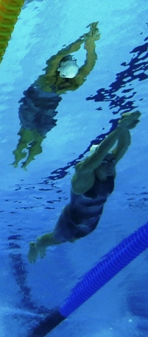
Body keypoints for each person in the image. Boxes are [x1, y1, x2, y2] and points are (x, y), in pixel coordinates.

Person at [28, 111, 141, 263]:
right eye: (105, 162)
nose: (111, 164)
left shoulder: (108, 168)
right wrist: (119, 129)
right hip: (70, 222)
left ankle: (43, 243)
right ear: (95, 163)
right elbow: (98, 155)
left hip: (90, 222)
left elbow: (124, 145)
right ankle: (36, 245)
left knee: (70, 240)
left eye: (111, 161)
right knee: (55, 239)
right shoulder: (83, 178)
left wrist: (125, 128)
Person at [13, 22, 100, 169]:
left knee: (25, 134)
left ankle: (17, 161)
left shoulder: (48, 78)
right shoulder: (74, 83)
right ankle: (27, 164)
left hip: (32, 105)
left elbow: (60, 55)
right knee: (40, 137)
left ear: (61, 67)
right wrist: (90, 45)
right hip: (49, 109)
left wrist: (80, 40)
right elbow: (89, 65)